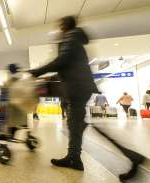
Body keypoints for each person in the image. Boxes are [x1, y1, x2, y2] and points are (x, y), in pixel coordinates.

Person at [29, 16, 98, 171]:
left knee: (74, 122)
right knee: (74, 121)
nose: (59, 28)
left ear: (65, 25)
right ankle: (74, 156)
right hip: (79, 86)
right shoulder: (75, 38)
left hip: (77, 87)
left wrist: (38, 71)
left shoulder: (71, 37)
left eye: (60, 25)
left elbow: (62, 60)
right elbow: (68, 66)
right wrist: (50, 76)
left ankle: (74, 157)